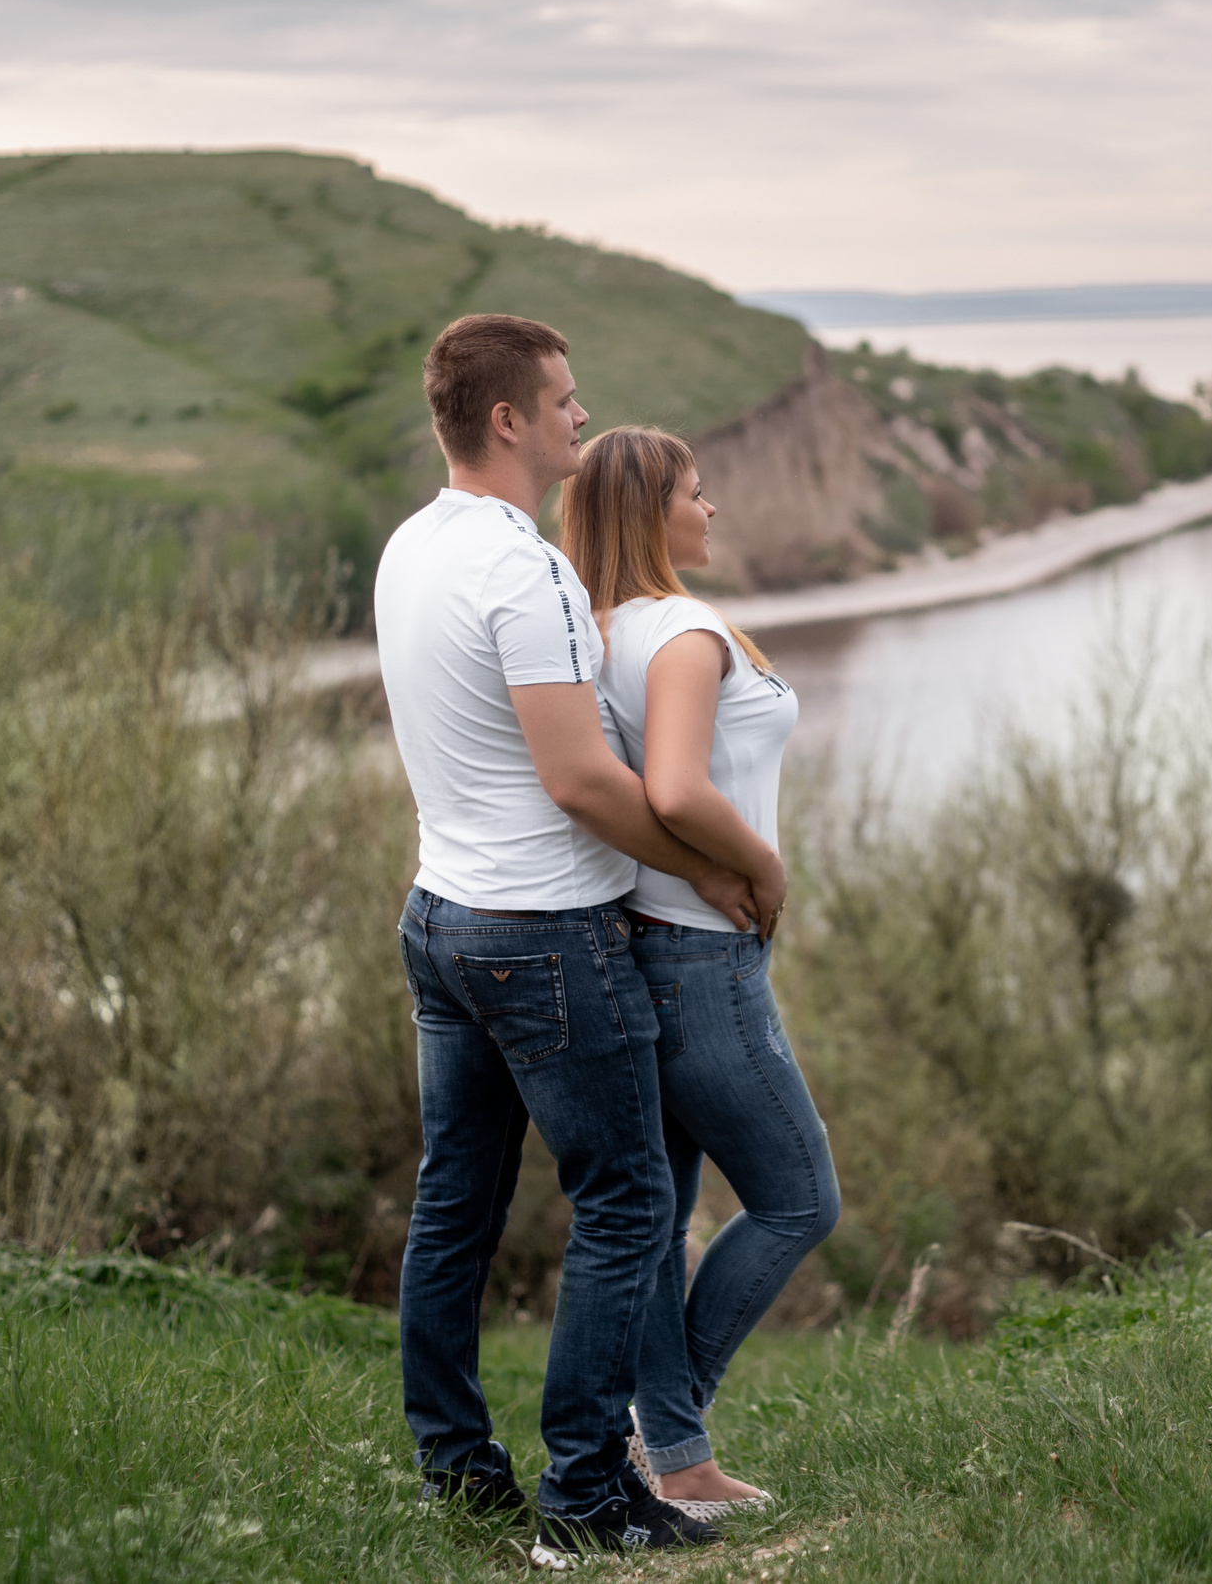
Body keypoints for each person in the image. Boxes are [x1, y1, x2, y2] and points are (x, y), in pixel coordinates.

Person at [375, 316, 767, 1563]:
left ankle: (456, 1474)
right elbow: (581, 780)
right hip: (541, 931)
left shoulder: (410, 547)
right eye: (563, 400)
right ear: (508, 420)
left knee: (455, 1207)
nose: (581, 418)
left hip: (439, 916)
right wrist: (710, 866)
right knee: (628, 1202)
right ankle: (589, 1498)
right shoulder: (523, 567)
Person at [559, 426, 841, 1519]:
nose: (709, 508)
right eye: (694, 491)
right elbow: (675, 790)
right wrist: (763, 866)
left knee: (657, 1222)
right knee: (797, 1198)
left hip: (640, 940)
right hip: (699, 957)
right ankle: (663, 1437)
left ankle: (674, 1460)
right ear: (651, 512)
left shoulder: (592, 632)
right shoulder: (679, 631)